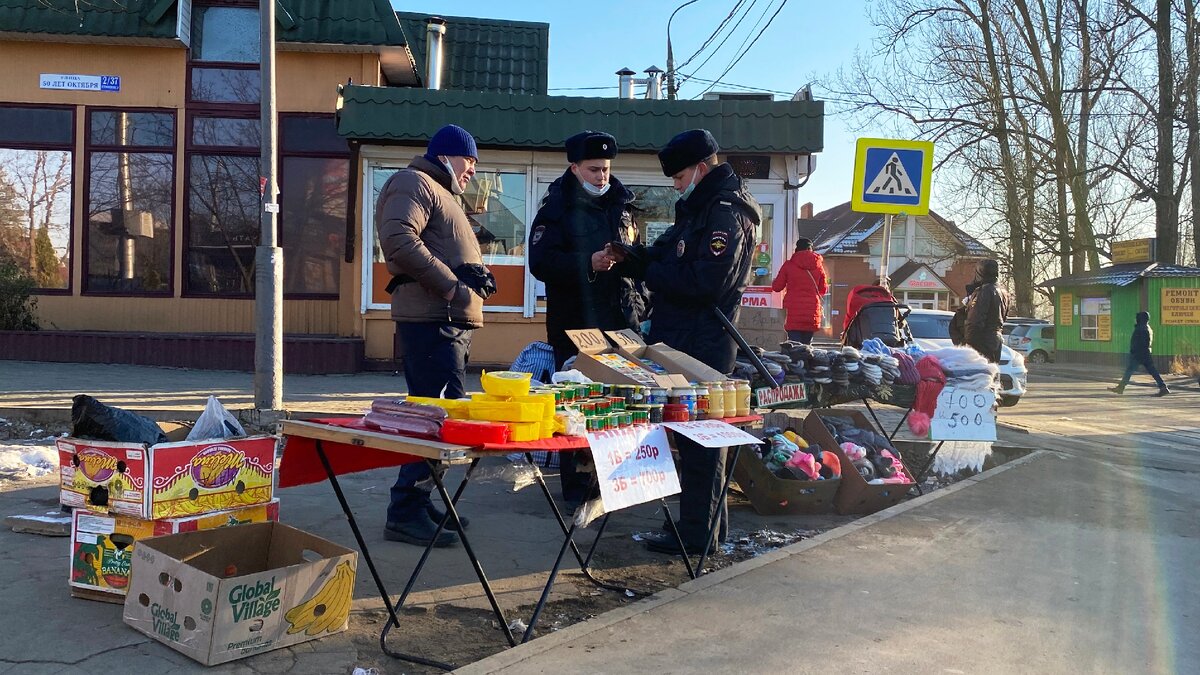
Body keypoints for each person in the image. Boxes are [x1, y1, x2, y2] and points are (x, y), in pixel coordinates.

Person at [605, 129, 760, 555]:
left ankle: (698, 535)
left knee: (702, 444)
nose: (675, 184)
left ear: (701, 168)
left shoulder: (726, 212)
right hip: (686, 339)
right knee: (693, 440)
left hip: (705, 343)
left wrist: (648, 273)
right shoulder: (698, 208)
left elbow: (705, 282)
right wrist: (630, 257)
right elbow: (667, 253)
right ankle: (707, 529)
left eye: (679, 176)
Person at [375, 124, 496, 547]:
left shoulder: (442, 193)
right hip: (433, 320)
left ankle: (422, 498)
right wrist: (450, 285)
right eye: (469, 162)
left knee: (441, 415)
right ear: (446, 154)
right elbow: (397, 240)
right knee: (433, 416)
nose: (472, 173)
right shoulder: (415, 182)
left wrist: (471, 276)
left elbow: (438, 250)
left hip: (446, 320)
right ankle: (405, 510)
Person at [529, 130, 648, 505]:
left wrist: (638, 291)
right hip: (576, 322)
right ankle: (578, 486)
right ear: (575, 167)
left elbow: (638, 255)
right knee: (577, 403)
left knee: (620, 401)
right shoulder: (557, 208)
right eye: (594, 169)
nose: (602, 177)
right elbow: (540, 262)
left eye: (607, 169)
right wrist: (588, 263)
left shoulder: (622, 204)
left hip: (620, 321)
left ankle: (613, 478)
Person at [770, 237, 828, 344]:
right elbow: (823, 289)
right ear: (811, 249)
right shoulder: (819, 267)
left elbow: (777, 287)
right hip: (812, 312)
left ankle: (795, 361)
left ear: (797, 249)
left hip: (793, 312)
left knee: (794, 346)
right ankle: (805, 361)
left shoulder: (789, 265)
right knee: (807, 348)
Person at [1109, 311, 1171, 396]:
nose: (1135, 319)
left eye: (1137, 318)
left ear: (1140, 319)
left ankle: (1121, 388)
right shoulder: (1146, 327)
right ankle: (1163, 387)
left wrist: (1134, 351)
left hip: (1139, 354)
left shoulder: (1141, 329)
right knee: (1152, 371)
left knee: (1130, 370)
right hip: (1145, 353)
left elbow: (1141, 342)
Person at [963, 258, 1009, 363]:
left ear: (980, 273)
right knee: (992, 373)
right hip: (996, 339)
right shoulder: (1003, 292)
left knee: (980, 374)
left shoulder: (984, 291)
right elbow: (1004, 316)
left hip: (983, 341)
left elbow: (975, 319)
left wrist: (969, 342)